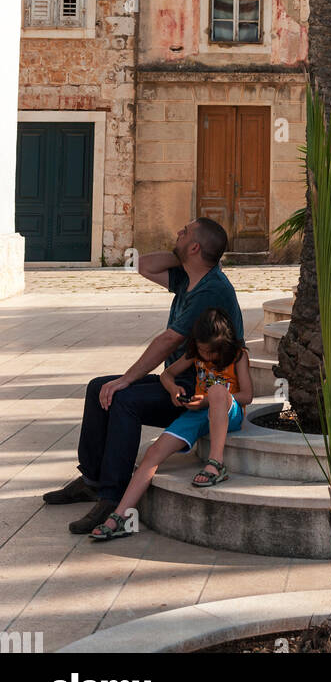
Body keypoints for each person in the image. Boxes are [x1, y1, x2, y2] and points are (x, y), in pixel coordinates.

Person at [42, 218, 245, 535]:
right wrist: (182, 254)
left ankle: (112, 497)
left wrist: (127, 378)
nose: (178, 231)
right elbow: (144, 266)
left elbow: (168, 341)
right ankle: (92, 479)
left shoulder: (211, 289)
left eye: (185, 232)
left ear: (195, 247)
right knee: (99, 387)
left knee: (124, 398)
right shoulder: (188, 276)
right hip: (178, 380)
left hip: (199, 392)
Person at [89, 308, 252, 541]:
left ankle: (216, 464)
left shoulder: (238, 356)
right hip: (199, 412)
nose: (205, 357)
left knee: (217, 391)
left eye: (211, 352)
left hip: (229, 411)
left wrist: (208, 399)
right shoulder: (196, 353)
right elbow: (167, 375)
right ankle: (121, 517)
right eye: (202, 351)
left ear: (223, 345)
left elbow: (247, 396)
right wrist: (174, 390)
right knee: (154, 452)